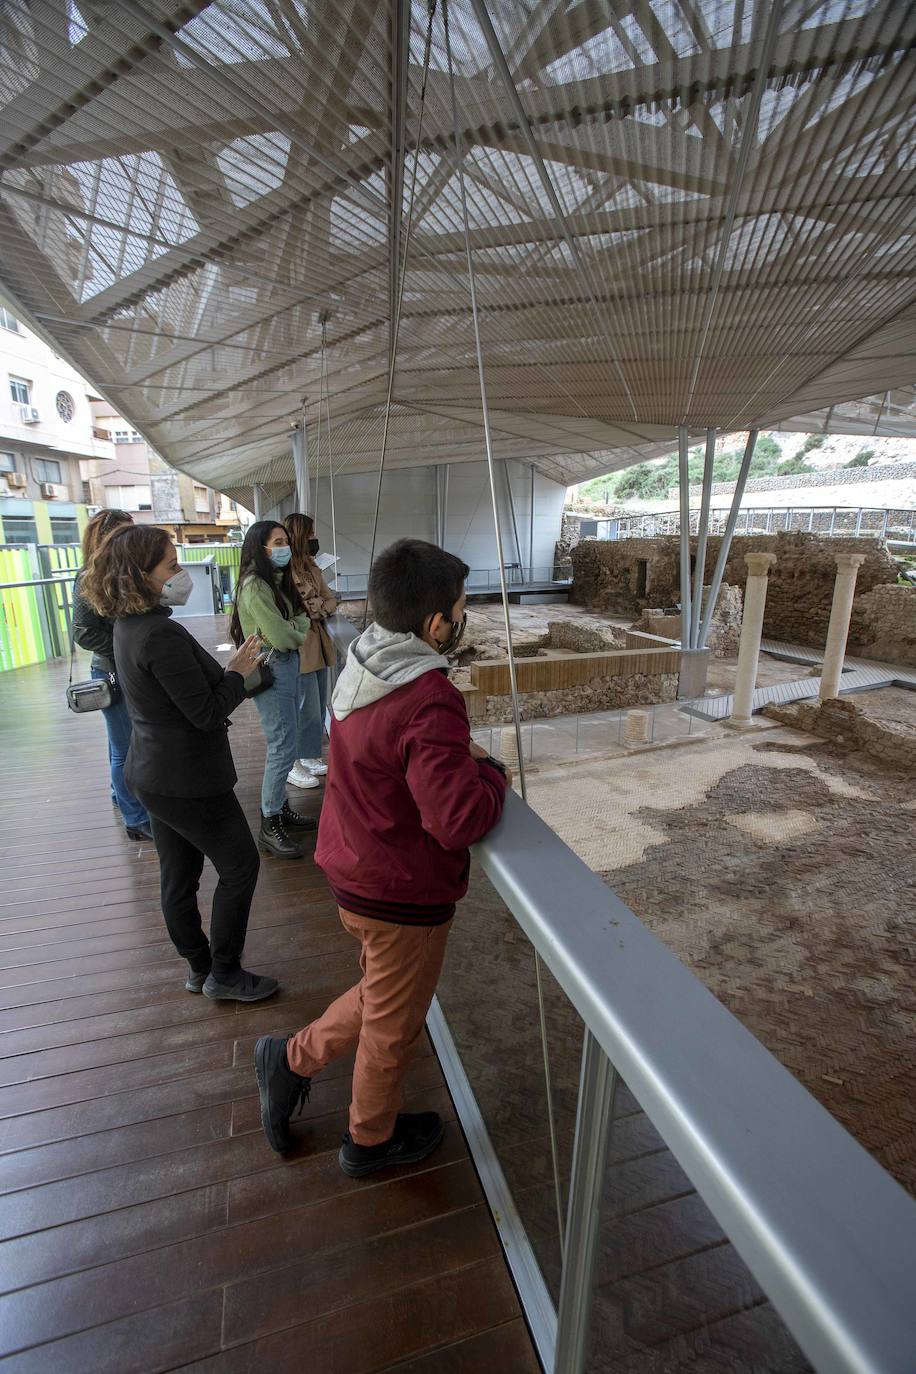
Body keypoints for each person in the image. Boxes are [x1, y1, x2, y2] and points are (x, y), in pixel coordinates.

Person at [254, 538, 510, 1175]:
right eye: (459, 610)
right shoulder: (426, 693)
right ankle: (368, 1142)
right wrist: (493, 777)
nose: (461, 620)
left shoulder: (365, 660)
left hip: (356, 866)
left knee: (382, 996)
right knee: (394, 1024)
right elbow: (457, 820)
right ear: (434, 624)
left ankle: (290, 1059)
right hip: (401, 888)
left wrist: (458, 763)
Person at [82, 524, 278, 1003]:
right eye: (171, 566)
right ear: (139, 577)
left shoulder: (127, 628)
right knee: (239, 866)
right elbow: (206, 712)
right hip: (189, 777)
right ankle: (225, 974)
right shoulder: (160, 635)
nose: (181, 573)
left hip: (153, 773)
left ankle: (200, 966)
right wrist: (237, 673)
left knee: (179, 878)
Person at [230, 520, 319, 859]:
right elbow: (284, 635)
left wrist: (294, 627)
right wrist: (295, 629)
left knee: (288, 738)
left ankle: (280, 807)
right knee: (282, 743)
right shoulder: (255, 586)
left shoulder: (275, 580)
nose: (286, 547)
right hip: (272, 667)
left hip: (285, 664)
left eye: (286, 541)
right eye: (278, 542)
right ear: (260, 547)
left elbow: (302, 619)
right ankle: (269, 822)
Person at [71, 508, 153, 841]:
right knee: (125, 747)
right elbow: (83, 631)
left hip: (118, 668)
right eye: (124, 535)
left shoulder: (117, 573)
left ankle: (121, 797)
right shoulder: (91, 576)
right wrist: (126, 644)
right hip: (112, 671)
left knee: (118, 743)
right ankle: (135, 817)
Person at [285, 512, 338, 790]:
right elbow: (307, 606)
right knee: (301, 705)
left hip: (318, 642)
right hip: (301, 645)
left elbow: (328, 599)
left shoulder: (310, 565)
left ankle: (309, 754)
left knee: (316, 704)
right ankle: (292, 763)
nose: (313, 539)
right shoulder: (286, 570)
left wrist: (322, 607)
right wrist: (321, 607)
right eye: (310, 534)